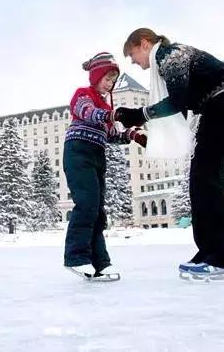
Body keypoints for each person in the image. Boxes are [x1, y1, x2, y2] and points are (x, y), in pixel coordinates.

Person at [115, 28, 224, 280]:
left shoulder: (170, 55)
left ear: (144, 44)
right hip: (220, 108)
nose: (134, 62)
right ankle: (211, 251)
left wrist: (138, 114)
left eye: (132, 54)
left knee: (207, 180)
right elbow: (180, 114)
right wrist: (147, 134)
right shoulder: (169, 58)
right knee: (201, 181)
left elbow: (177, 103)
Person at [63, 52, 147, 280]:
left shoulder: (104, 104)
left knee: (98, 212)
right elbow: (87, 113)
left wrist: (132, 134)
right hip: (78, 152)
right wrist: (112, 114)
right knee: (87, 204)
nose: (110, 85)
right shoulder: (84, 95)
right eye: (107, 79)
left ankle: (100, 263)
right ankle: (76, 256)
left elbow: (112, 134)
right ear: (96, 75)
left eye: (113, 81)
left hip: (97, 155)